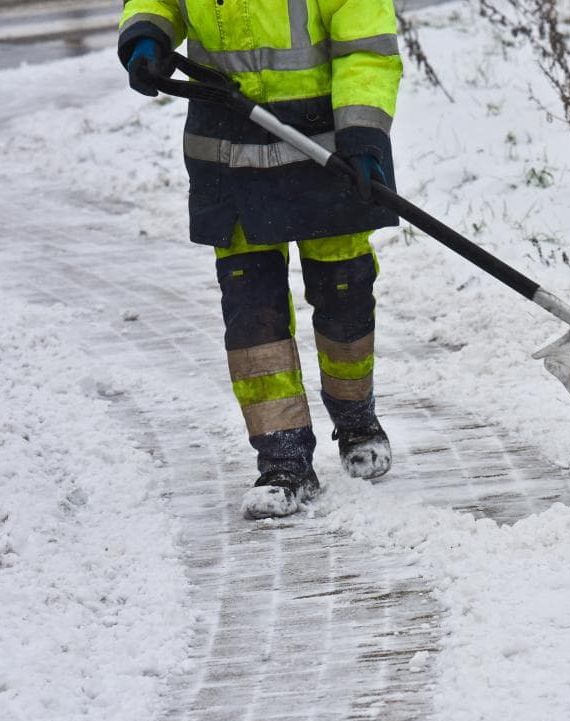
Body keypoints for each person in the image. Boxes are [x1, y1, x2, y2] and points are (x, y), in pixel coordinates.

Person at [117, 1, 403, 519]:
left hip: (324, 147)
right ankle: (283, 460)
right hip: (229, 148)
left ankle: (356, 417)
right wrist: (146, 35)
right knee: (252, 311)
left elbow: (367, 45)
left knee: (344, 293)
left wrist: (363, 131)